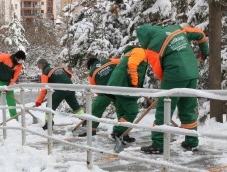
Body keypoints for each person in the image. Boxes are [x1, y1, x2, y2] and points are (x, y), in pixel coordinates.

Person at [136, 24, 209, 154]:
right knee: (187, 108)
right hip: (192, 73)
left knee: (164, 110)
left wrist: (168, 84)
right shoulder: (177, 29)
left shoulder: (152, 47)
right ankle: (191, 142)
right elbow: (200, 34)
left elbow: (158, 71)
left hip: (174, 75)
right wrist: (205, 52)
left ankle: (158, 144)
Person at [107, 45, 148, 143]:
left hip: (116, 85)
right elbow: (132, 65)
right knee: (131, 111)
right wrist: (134, 84)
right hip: (124, 85)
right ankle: (117, 132)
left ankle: (123, 134)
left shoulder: (128, 54)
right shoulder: (140, 51)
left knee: (122, 112)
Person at [35, 59, 84, 130]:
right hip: (70, 86)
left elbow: (44, 88)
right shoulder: (57, 66)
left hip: (61, 89)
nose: (39, 68)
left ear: (43, 64)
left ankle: (48, 124)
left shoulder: (45, 72)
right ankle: (85, 120)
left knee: (49, 105)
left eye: (39, 66)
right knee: (75, 106)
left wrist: (39, 101)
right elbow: (70, 74)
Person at [78, 57, 120, 137]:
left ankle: (91, 132)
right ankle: (121, 132)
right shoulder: (110, 61)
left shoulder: (91, 73)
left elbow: (95, 88)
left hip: (105, 94)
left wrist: (100, 95)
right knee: (121, 111)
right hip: (117, 90)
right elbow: (123, 62)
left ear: (90, 66)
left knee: (95, 111)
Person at [0, 50, 26, 119]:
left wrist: (9, 87)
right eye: (20, 59)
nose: (21, 61)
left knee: (11, 100)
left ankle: (14, 117)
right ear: (16, 57)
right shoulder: (5, 57)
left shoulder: (19, 65)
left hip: (8, 82)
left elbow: (15, 77)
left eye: (22, 60)